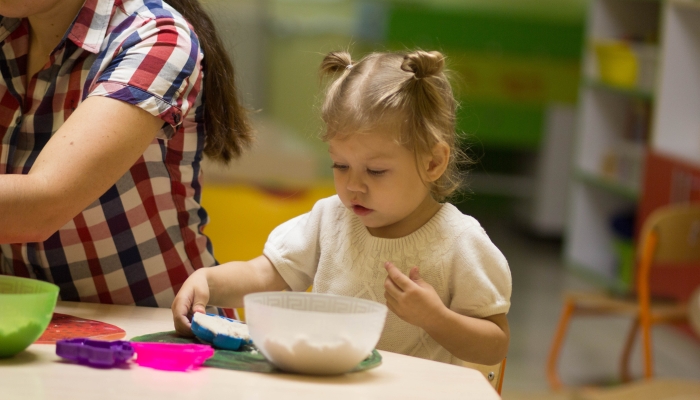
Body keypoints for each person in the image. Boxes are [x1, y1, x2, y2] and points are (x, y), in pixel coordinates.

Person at [172, 50, 511, 366]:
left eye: (376, 171)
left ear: (434, 161)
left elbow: (494, 344)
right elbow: (268, 274)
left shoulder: (459, 241)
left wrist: (435, 318)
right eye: (340, 166)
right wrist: (208, 281)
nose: (353, 186)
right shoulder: (331, 217)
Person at [0, 0, 252, 307]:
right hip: (34, 324)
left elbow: (41, 206)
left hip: (164, 332)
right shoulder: (9, 29)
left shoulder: (155, 35)